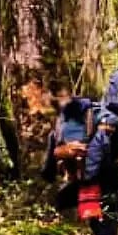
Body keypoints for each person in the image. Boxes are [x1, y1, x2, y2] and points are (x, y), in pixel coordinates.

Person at [71, 72, 118, 235]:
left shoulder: (99, 116)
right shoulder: (111, 122)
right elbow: (98, 159)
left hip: (93, 190)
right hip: (101, 192)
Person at [41, 82, 98, 211]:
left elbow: (48, 171)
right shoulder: (92, 112)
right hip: (93, 173)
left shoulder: (62, 124)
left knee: (65, 201)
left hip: (85, 174)